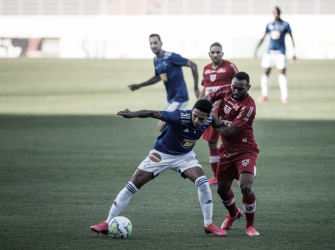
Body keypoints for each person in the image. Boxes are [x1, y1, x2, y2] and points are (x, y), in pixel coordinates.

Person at [90, 99, 226, 237]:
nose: (196, 120)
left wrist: (215, 117)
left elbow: (214, 114)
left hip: (184, 156)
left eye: (201, 118)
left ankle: (208, 224)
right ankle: (106, 223)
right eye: (194, 115)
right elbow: (153, 113)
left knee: (203, 184)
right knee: (132, 185)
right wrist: (134, 114)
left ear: (207, 116)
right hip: (161, 153)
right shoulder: (179, 116)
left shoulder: (209, 119)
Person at [202, 72, 260, 236]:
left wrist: (213, 119)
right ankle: (234, 214)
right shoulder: (226, 90)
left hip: (245, 150)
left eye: (240, 89)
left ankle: (250, 226)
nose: (235, 91)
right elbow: (205, 100)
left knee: (245, 187)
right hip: (226, 151)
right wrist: (209, 111)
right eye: (234, 86)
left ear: (248, 87)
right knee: (222, 191)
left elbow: (230, 132)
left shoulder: (248, 106)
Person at [128, 34, 200, 131]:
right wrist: (140, 85)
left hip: (180, 98)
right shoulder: (156, 60)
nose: (153, 46)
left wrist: (196, 87)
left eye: (155, 43)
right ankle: (179, 142)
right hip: (169, 99)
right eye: (151, 43)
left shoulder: (171, 57)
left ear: (161, 43)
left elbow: (193, 65)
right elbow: (159, 77)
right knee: (170, 127)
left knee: (161, 126)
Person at [199, 42, 239, 185]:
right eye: (213, 52)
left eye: (218, 52)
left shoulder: (230, 67)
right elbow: (204, 90)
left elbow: (240, 86)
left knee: (230, 142)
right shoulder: (206, 69)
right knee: (212, 143)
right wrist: (198, 106)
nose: (215, 55)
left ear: (222, 53)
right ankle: (216, 176)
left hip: (226, 111)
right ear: (209, 54)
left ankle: (239, 176)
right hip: (209, 112)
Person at [254, 6, 296, 104]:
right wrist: (256, 49)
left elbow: (291, 38)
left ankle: (284, 96)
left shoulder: (285, 24)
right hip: (269, 52)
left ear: (280, 13)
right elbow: (263, 37)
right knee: (266, 72)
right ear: (273, 13)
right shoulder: (270, 25)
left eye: (277, 12)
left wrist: (293, 52)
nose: (276, 14)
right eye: (274, 12)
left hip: (280, 52)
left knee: (282, 73)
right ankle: (264, 94)